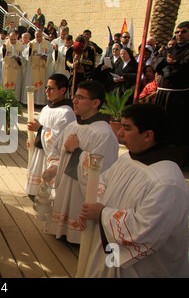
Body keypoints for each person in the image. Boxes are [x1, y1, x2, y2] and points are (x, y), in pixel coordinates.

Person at [79, 103, 189, 277]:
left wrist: (102, 214)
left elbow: (145, 230)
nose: (119, 133)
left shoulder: (168, 182)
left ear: (148, 135)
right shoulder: (129, 159)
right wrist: (96, 204)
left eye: (127, 128)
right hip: (108, 252)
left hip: (143, 269)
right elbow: (104, 180)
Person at [42, 80, 119, 244]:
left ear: (95, 103)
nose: (74, 101)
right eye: (75, 96)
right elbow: (56, 153)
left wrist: (76, 151)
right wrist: (53, 168)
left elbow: (101, 171)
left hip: (82, 191)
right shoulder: (72, 126)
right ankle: (62, 231)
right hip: (66, 184)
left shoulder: (103, 133)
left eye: (80, 98)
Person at [25, 73, 75, 201]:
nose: (47, 91)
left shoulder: (66, 112)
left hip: (51, 159)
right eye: (47, 87)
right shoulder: (46, 108)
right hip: (39, 153)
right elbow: (40, 127)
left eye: (51, 88)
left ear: (63, 90)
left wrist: (40, 129)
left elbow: (59, 139)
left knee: (47, 196)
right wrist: (32, 137)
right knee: (34, 192)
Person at [154, 21, 189, 167]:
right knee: (160, 125)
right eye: (177, 32)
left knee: (175, 127)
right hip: (162, 95)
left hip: (178, 97)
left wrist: (167, 66)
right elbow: (156, 64)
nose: (179, 34)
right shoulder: (170, 48)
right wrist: (170, 63)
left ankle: (175, 160)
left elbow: (181, 70)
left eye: (183, 31)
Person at [23, 29, 53, 105]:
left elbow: (51, 55)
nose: (38, 38)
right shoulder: (31, 43)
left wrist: (46, 57)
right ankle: (30, 102)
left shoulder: (47, 44)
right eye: (37, 36)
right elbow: (25, 54)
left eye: (40, 36)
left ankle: (40, 102)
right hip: (32, 68)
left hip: (42, 67)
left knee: (42, 84)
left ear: (42, 36)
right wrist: (29, 49)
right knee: (31, 83)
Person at [1, 31, 24, 99]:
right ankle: (6, 99)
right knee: (6, 83)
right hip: (7, 68)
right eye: (11, 39)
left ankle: (15, 99)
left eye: (14, 39)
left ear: (16, 37)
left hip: (16, 68)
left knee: (16, 84)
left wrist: (19, 59)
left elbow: (25, 55)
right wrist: (4, 50)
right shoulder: (5, 44)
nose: (13, 41)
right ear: (9, 38)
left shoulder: (20, 45)